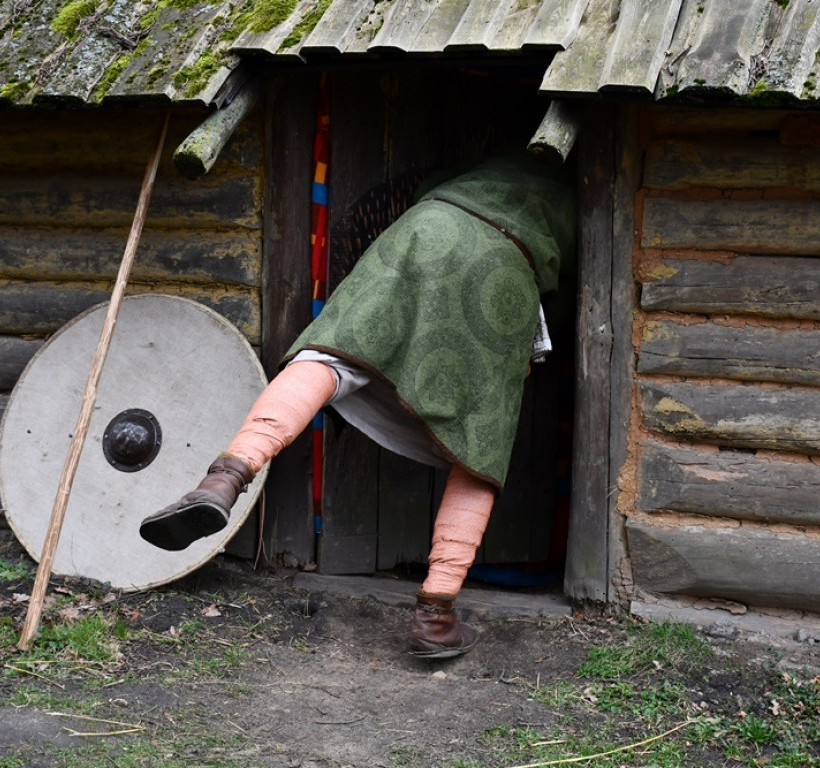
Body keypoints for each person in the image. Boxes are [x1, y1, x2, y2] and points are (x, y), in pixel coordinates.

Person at [139, 147, 577, 659]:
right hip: (507, 265)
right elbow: (568, 291)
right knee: (480, 443)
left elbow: (426, 185)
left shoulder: (477, 168)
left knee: (329, 359)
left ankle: (225, 477)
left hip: (424, 227)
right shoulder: (575, 194)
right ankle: (435, 618)